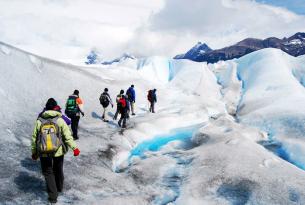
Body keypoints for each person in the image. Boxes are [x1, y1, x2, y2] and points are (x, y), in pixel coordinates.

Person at [31, 98, 80, 204]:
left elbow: (34, 138)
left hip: (44, 151)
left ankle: (53, 197)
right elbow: (68, 136)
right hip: (58, 150)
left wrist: (34, 152)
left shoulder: (39, 121)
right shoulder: (60, 120)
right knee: (58, 169)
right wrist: (74, 148)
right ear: (55, 107)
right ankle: (59, 188)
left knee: (48, 172)